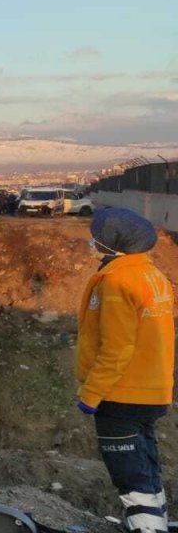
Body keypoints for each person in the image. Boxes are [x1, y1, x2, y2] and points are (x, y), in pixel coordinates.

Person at [76, 208, 175, 533]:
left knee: (129, 473)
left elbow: (118, 348)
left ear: (112, 243)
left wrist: (90, 395)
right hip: (152, 391)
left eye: (97, 238)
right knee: (145, 464)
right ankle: (155, 520)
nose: (93, 242)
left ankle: (148, 528)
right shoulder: (151, 275)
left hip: (121, 395)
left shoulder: (118, 282)